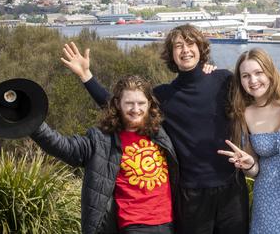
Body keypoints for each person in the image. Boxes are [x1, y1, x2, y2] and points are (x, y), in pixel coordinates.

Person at [61, 24, 249, 234]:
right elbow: (122, 105)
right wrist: (86, 76)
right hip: (190, 196)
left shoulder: (223, 79)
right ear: (171, 54)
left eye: (190, 43)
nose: (185, 50)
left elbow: (258, 92)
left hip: (232, 187)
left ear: (201, 48)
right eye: (178, 45)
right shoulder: (164, 96)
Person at [30, 75, 178, 234]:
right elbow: (64, 147)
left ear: (149, 104)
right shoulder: (101, 141)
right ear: (117, 104)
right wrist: (32, 123)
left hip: (169, 224)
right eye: (129, 103)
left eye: (141, 103)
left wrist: (205, 72)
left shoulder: (160, 133)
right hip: (134, 225)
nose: (136, 109)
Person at [216, 47, 280, 233]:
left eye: (258, 73)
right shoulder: (244, 114)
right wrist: (248, 165)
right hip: (267, 198)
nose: (253, 81)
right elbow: (254, 171)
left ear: (270, 72)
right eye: (246, 76)